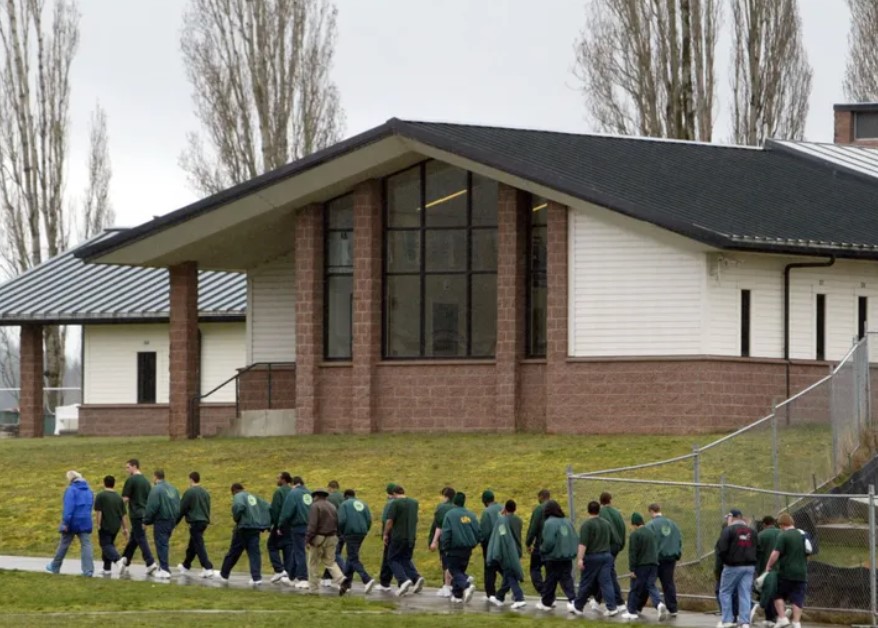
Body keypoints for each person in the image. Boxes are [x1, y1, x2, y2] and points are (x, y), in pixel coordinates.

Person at [572, 501, 618, 617]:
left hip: (592, 557)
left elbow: (583, 544)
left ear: (588, 510)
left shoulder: (586, 525)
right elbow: (613, 540)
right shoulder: (606, 524)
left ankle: (578, 607)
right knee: (606, 583)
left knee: (586, 583)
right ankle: (612, 607)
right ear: (599, 510)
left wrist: (580, 559)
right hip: (606, 556)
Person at [219, 483, 271, 585]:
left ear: (234, 491)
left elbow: (239, 506)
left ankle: (224, 574)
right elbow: (267, 506)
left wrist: (236, 518)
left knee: (234, 552)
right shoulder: (252, 496)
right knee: (254, 553)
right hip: (255, 528)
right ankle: (257, 578)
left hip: (244, 527)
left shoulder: (239, 496)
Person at [764, 513, 808, 628]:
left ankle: (782, 618)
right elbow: (808, 552)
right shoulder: (803, 534)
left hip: (786, 572)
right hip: (802, 573)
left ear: (782, 525)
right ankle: (796, 622)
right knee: (798, 598)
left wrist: (768, 566)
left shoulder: (783, 536)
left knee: (777, 594)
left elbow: (775, 553)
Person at [46, 471, 94, 577]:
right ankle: (88, 570)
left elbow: (68, 509)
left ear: (71, 479)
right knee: (86, 545)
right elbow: (90, 507)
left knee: (64, 544)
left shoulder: (71, 490)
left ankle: (55, 566)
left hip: (72, 522)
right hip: (85, 521)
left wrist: (65, 523)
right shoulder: (89, 491)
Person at [716, 508, 757, 628]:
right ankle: (745, 622)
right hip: (749, 566)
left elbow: (721, 548)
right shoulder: (752, 531)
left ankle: (727, 620)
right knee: (745, 593)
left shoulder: (729, 530)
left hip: (733, 566)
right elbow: (758, 549)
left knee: (725, 592)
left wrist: (726, 561)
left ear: (732, 517)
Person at [535, 500, 578, 612]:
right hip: (567, 556)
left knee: (551, 579)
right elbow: (574, 538)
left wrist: (542, 549)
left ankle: (548, 602)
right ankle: (569, 600)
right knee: (564, 578)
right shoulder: (567, 522)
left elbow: (548, 541)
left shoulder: (549, 523)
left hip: (554, 557)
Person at [440, 492, 480, 604]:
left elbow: (446, 532)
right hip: (467, 549)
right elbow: (478, 532)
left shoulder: (450, 515)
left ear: (454, 502)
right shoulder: (471, 515)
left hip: (454, 549)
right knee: (460, 571)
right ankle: (457, 595)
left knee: (454, 571)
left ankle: (467, 585)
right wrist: (473, 543)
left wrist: (445, 546)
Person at [306, 487, 348, 595]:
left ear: (316, 496)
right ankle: (341, 579)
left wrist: (308, 539)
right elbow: (337, 522)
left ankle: (314, 590)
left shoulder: (315, 506)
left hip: (319, 537)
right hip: (332, 537)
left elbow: (312, 525)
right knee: (330, 562)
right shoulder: (332, 506)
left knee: (313, 563)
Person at [383, 484, 424, 596]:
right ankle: (416, 577)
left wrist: (385, 534)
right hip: (411, 536)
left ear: (395, 494)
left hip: (398, 536)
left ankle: (403, 580)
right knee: (405, 559)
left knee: (392, 559)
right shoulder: (414, 503)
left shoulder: (395, 503)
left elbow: (389, 521)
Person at [119, 458, 156, 575]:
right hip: (145, 513)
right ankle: (125, 560)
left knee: (140, 537)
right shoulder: (146, 481)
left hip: (136, 513)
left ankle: (150, 562)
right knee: (134, 538)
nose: (127, 470)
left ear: (135, 466)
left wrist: (117, 507)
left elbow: (125, 498)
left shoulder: (131, 480)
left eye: (128, 467)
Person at [487, 499, 526, 609]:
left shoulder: (503, 520)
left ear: (505, 508)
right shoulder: (518, 520)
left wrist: (501, 515)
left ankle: (519, 597)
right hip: (517, 550)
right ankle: (500, 597)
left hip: (508, 551)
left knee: (509, 574)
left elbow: (502, 534)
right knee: (508, 574)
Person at [646, 502, 682, 620]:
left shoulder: (650, 525)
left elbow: (648, 542)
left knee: (649, 582)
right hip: (670, 558)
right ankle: (673, 608)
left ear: (651, 511)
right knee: (668, 583)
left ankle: (640, 606)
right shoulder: (673, 524)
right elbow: (679, 540)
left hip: (656, 559)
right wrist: (677, 554)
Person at [143, 469, 180, 579]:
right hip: (172, 519)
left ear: (155, 477)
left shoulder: (156, 490)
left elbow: (152, 507)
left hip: (161, 520)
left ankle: (164, 569)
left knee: (161, 544)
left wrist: (146, 520)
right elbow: (179, 504)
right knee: (165, 543)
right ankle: (163, 567)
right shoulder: (173, 489)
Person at [621, 512, 658, 620]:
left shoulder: (635, 535)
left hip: (641, 565)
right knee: (648, 587)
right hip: (654, 564)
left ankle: (632, 611)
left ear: (634, 524)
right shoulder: (651, 532)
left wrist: (632, 569)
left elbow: (632, 553)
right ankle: (643, 607)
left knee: (635, 588)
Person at [177, 471, 214, 578]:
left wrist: (174, 522)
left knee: (198, 545)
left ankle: (207, 567)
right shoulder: (205, 492)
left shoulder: (190, 492)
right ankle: (186, 565)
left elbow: (182, 509)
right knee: (193, 544)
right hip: (204, 521)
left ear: (191, 479)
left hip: (195, 521)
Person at [338, 488, 375, 593]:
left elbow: (342, 520)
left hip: (350, 533)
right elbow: (369, 519)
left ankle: (367, 579)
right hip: (361, 533)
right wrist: (365, 530)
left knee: (353, 559)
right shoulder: (363, 504)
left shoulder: (344, 504)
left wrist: (341, 532)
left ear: (345, 496)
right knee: (351, 557)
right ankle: (346, 584)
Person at [278, 475, 311, 589]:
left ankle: (303, 578)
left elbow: (287, 511)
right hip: (311, 527)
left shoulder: (293, 493)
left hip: (298, 526)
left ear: (293, 484)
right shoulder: (309, 493)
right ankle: (291, 576)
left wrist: (280, 525)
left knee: (299, 552)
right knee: (295, 550)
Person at [93, 475, 128, 576]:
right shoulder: (118, 498)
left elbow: (99, 512)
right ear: (114, 484)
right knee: (109, 545)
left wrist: (98, 524)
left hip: (105, 525)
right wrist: (125, 528)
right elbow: (123, 515)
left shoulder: (101, 496)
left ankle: (118, 560)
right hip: (115, 526)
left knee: (105, 545)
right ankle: (107, 568)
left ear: (104, 483)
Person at [599, 492, 626, 609]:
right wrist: (620, 545)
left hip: (605, 547)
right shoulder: (617, 513)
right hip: (617, 545)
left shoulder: (600, 513)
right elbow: (623, 529)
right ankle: (597, 600)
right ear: (610, 500)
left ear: (601, 501)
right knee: (607, 572)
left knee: (607, 574)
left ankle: (619, 602)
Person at [429, 486, 457, 598]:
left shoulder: (441, 508)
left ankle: (447, 586)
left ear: (445, 496)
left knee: (445, 563)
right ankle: (452, 585)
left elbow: (438, 526)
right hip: (457, 540)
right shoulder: (457, 507)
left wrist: (433, 541)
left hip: (445, 540)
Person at [754, 516, 782, 625]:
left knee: (768, 592)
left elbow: (756, 553)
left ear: (764, 524)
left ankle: (770, 617)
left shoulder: (761, 535)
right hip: (781, 569)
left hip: (766, 569)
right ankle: (779, 615)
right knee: (778, 593)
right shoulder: (782, 533)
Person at [268, 471, 293, 583]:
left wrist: (274, 524)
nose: (276, 480)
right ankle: (287, 574)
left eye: (278, 478)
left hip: (280, 524)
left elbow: (275, 510)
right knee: (288, 548)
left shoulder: (279, 492)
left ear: (283, 479)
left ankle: (279, 569)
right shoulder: (293, 491)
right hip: (292, 525)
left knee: (271, 546)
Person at [373, 483, 398, 593]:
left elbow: (385, 519)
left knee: (387, 558)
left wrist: (384, 534)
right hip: (400, 534)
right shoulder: (401, 502)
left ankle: (385, 582)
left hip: (390, 533)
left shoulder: (390, 504)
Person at [479, 489, 503, 603]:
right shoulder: (503, 508)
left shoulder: (487, 512)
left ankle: (491, 594)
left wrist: (481, 542)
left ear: (484, 501)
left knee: (489, 569)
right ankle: (513, 587)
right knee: (503, 567)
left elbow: (484, 531)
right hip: (504, 543)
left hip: (491, 545)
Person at [526, 488, 550, 595]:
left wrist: (528, 543)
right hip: (553, 546)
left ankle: (544, 592)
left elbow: (533, 528)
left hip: (540, 545)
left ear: (540, 497)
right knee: (551, 572)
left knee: (535, 569)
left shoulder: (539, 509)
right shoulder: (556, 508)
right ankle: (549, 593)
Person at [323, 479, 346, 586]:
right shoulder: (343, 497)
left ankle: (345, 573)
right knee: (333, 553)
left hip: (332, 529)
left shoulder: (329, 498)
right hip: (343, 529)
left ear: (330, 488)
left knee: (332, 554)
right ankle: (327, 578)